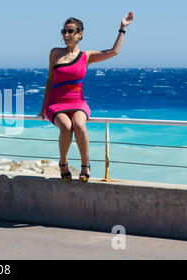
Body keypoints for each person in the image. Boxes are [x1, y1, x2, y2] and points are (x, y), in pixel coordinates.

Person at [38, 12, 133, 182]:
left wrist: (122, 28)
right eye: (64, 31)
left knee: (79, 125)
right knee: (66, 127)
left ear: (80, 34)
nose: (66, 35)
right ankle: (63, 163)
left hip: (77, 102)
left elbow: (114, 52)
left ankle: (85, 165)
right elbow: (50, 81)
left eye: (70, 31)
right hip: (56, 103)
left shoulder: (86, 56)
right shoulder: (55, 53)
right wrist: (42, 107)